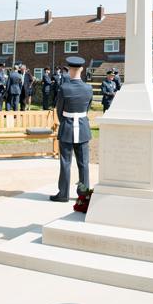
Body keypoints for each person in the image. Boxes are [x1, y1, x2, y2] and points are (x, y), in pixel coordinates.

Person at [51, 56, 93, 202]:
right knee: (83, 164)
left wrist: (66, 122)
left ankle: (63, 194)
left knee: (65, 163)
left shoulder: (64, 88)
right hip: (82, 127)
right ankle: (84, 195)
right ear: (82, 69)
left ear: (69, 70)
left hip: (67, 127)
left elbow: (59, 110)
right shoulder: (88, 88)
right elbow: (87, 109)